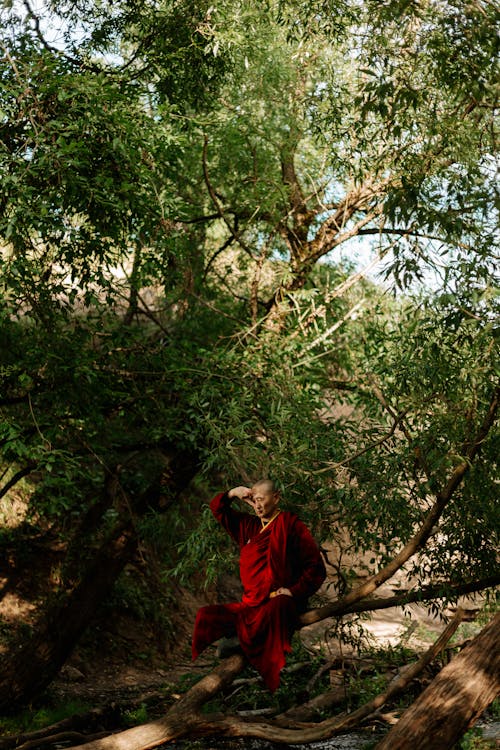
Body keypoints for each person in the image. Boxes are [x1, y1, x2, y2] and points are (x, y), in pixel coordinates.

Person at [191, 479, 326, 691]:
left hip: (279, 601)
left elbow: (316, 567)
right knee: (207, 615)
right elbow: (217, 509)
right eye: (254, 501)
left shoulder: (291, 525)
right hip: (253, 604)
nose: (258, 506)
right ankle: (246, 638)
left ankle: (239, 640)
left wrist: (293, 591)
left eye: (261, 500)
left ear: (276, 498)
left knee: (279, 606)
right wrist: (233, 493)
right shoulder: (248, 526)